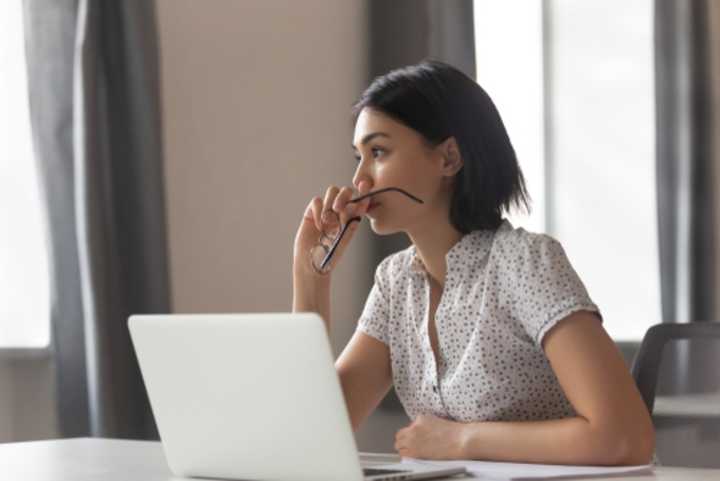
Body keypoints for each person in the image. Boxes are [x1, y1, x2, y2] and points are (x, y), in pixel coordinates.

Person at [292, 60, 654, 466]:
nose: (360, 180)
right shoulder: (395, 283)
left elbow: (624, 437)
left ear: (449, 158)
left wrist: (462, 440)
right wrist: (311, 277)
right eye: (358, 157)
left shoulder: (525, 263)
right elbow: (315, 430)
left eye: (378, 152)